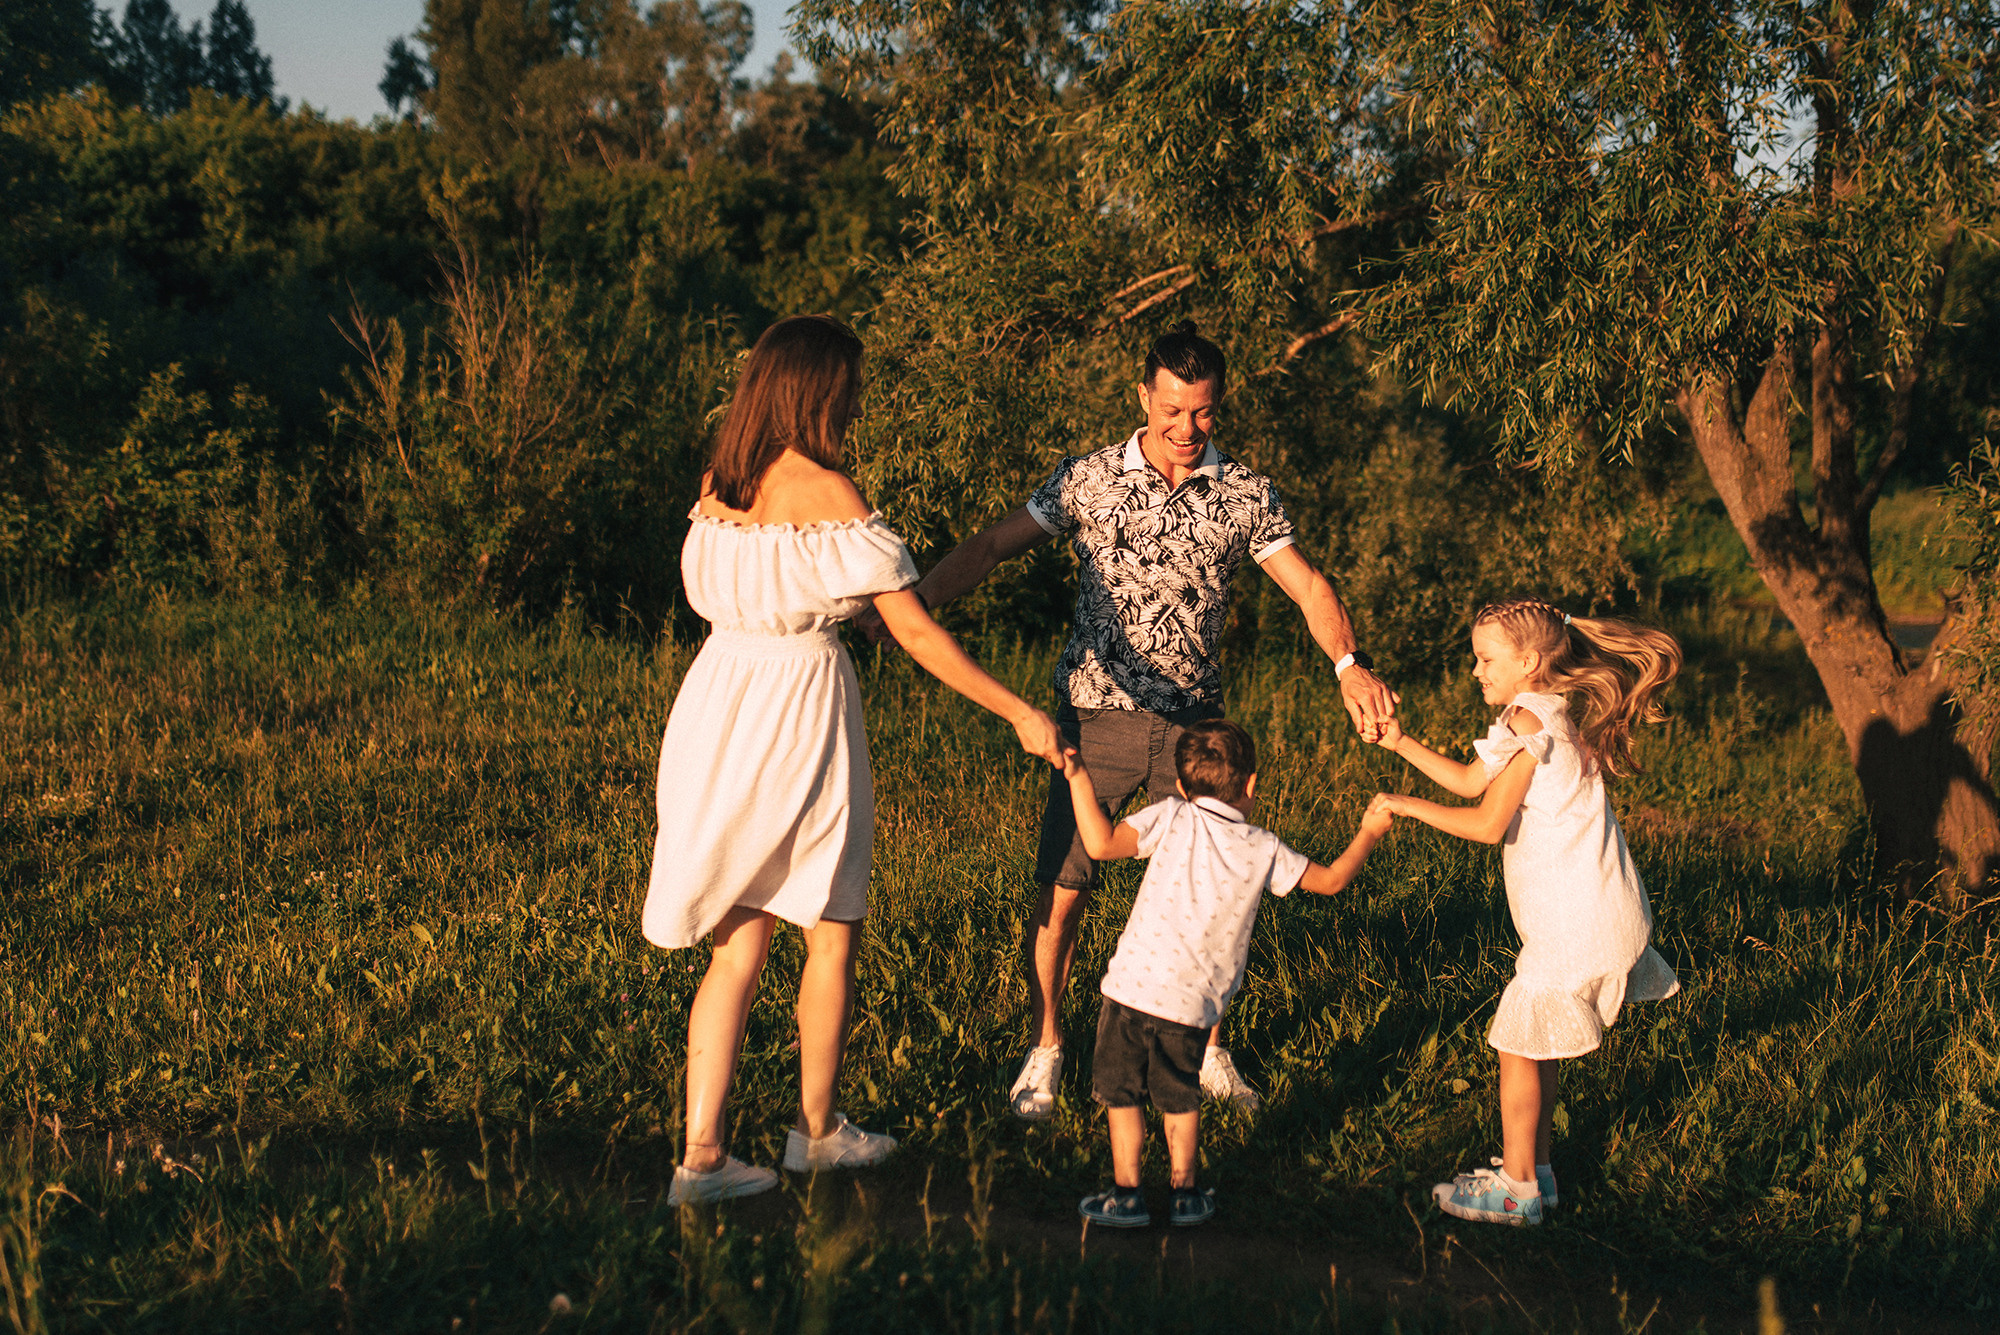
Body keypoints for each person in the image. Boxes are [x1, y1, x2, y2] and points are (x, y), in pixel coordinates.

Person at [864, 320, 1399, 1120]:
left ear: (1221, 406)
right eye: (1173, 410)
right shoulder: (1088, 480)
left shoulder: (1246, 493)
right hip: (1094, 716)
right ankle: (1046, 1048)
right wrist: (913, 609)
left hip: (1195, 730)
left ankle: (1210, 1050)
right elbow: (992, 546)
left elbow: (1310, 587)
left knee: (1212, 897)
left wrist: (1348, 666)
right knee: (1065, 887)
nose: (1188, 430)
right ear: (1143, 396)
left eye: (1205, 413)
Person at [642, 315, 1063, 1207]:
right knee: (828, 927)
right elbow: (916, 633)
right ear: (819, 390)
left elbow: (756, 588)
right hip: (798, 713)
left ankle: (702, 1157)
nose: (857, 401)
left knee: (736, 943)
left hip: (717, 702)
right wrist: (1020, 709)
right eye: (850, 386)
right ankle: (817, 1132)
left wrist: (835, 604)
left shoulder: (720, 483)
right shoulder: (832, 491)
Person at [1369, 598, 1682, 1226]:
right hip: (1600, 908)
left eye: (1486, 659)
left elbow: (1486, 823)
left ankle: (1516, 1193)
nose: (1476, 671)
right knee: (1535, 1047)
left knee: (1516, 1044)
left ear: (1529, 661)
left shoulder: (1525, 720)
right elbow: (1469, 780)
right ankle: (1537, 1175)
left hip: (1577, 919)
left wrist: (1404, 807)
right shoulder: (1546, 712)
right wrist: (1399, 743)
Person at [1060, 719, 1390, 1227]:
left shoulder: (1169, 816)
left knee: (1123, 1095)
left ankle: (1126, 1194)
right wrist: (1369, 831)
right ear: (1251, 784)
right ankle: (1185, 1193)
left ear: (1183, 784)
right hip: (1192, 1007)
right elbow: (1331, 882)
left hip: (1130, 990)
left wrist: (1079, 772)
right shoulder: (1264, 847)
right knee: (1179, 1097)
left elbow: (1100, 844)